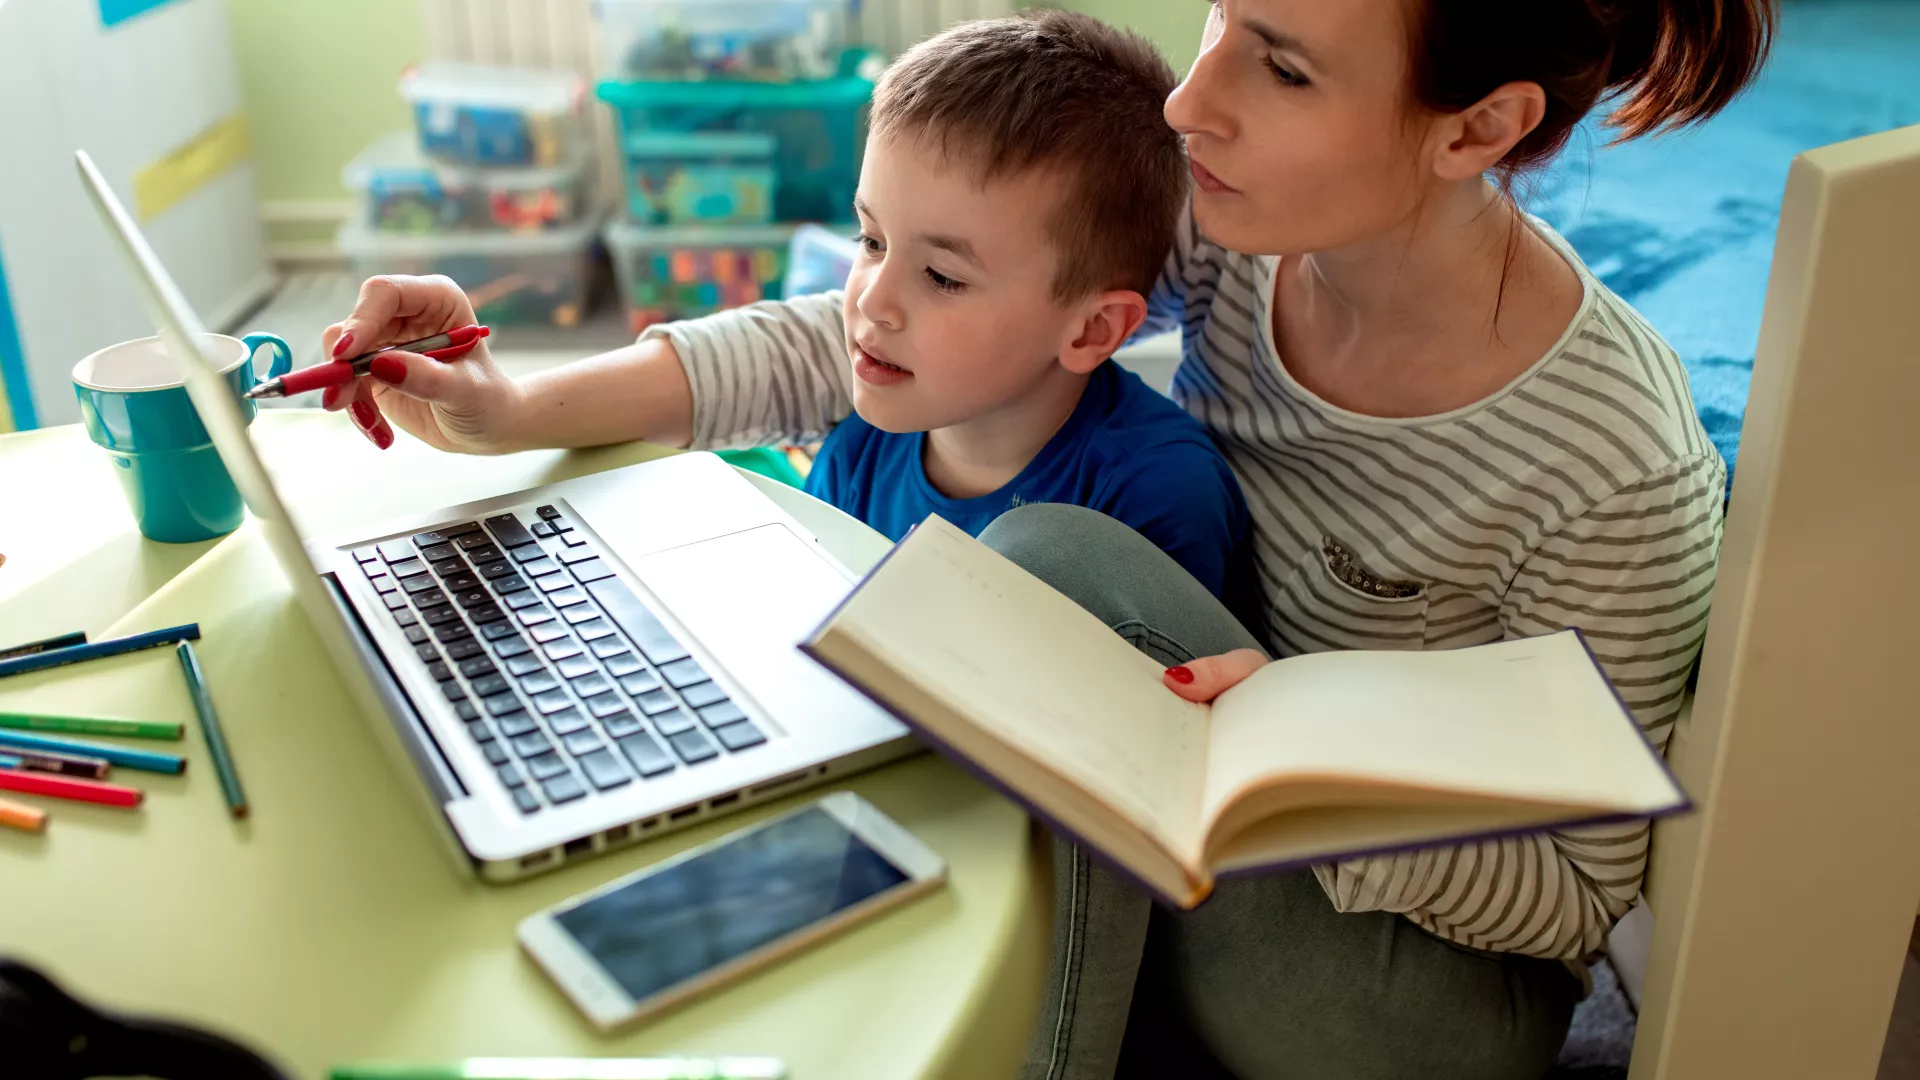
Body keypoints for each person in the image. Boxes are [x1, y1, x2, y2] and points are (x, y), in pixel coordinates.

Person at [321, 0, 1772, 1074]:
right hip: (1201, 761)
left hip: (1416, 979)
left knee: (1046, 575)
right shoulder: (1233, 224)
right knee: (943, 662)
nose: (1192, 103)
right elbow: (859, 346)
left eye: (1276, 63)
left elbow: (1584, 892)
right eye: (1217, 23)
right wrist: (514, 409)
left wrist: (1303, 746)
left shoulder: (1610, 462)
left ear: (1480, 128)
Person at [318, 12, 1248, 598]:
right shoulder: (861, 442)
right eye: (871, 240)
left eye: (944, 277)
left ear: (1092, 329)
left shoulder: (1157, 498)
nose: (870, 303)